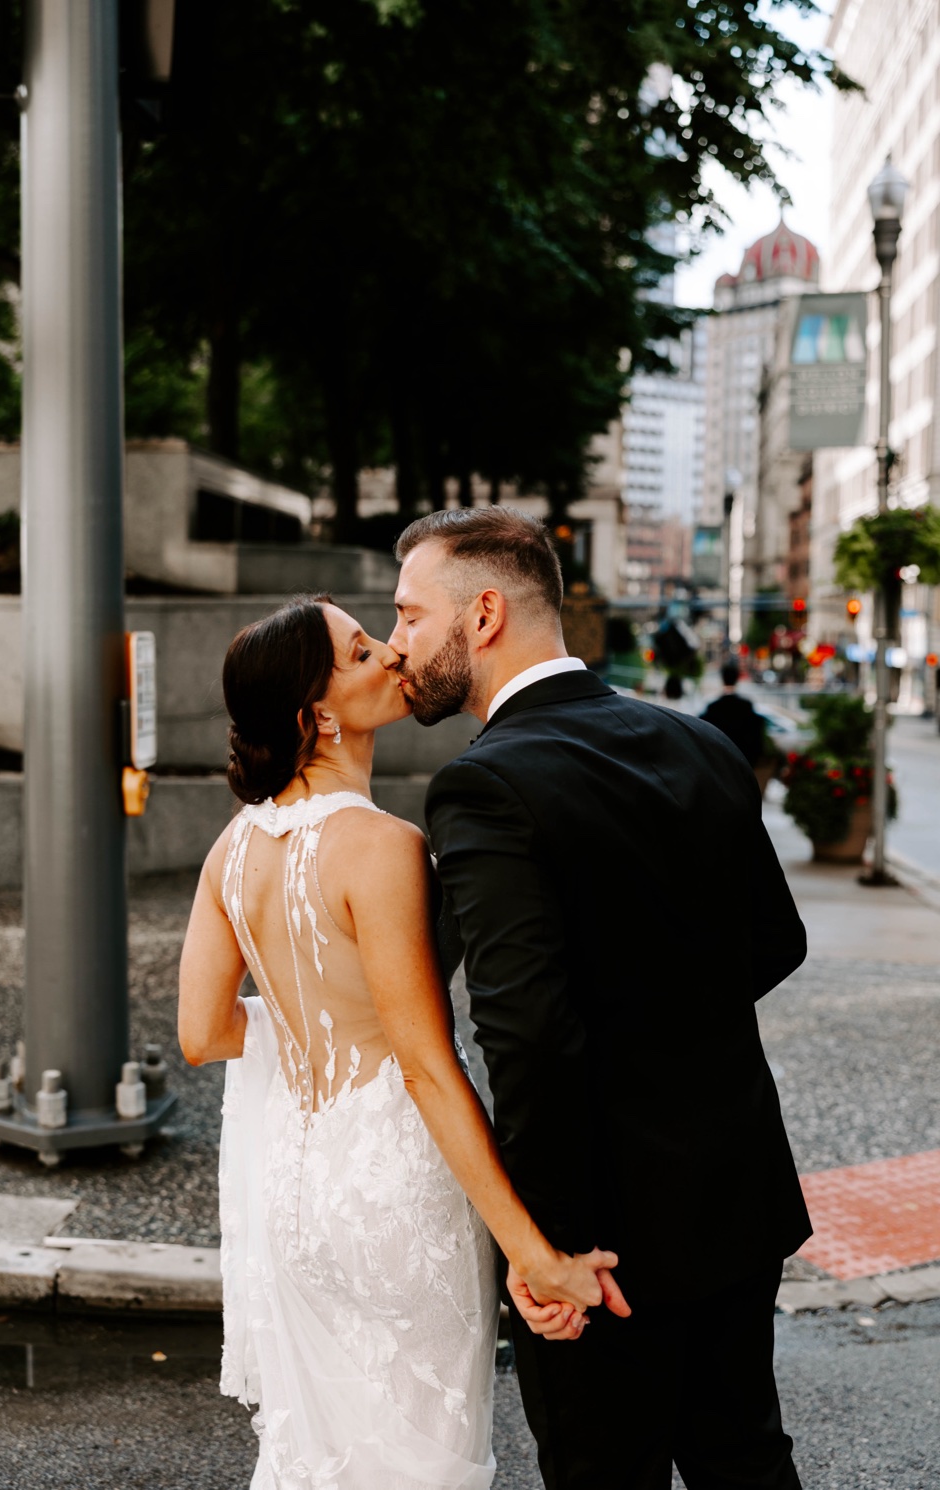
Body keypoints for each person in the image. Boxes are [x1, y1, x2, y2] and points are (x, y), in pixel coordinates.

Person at [389, 506, 810, 1488]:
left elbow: (525, 1035)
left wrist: (545, 1250)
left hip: (601, 1238)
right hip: (736, 1190)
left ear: (482, 613)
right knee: (743, 1454)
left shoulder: (484, 785)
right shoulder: (698, 743)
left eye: (410, 613)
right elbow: (775, 941)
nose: (397, 640)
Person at [177, 597, 625, 1489]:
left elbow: (204, 1033)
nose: (391, 653)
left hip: (293, 1191)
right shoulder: (384, 846)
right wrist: (535, 1257)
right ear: (319, 714)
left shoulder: (231, 849)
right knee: (425, 1459)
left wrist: (312, 1028)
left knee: (326, 1454)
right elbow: (424, 1063)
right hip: (395, 1193)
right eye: (359, 650)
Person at [703, 660, 774, 791]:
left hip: (720, 765)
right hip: (744, 764)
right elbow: (756, 737)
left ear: (722, 679)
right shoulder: (746, 707)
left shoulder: (713, 708)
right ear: (737, 679)